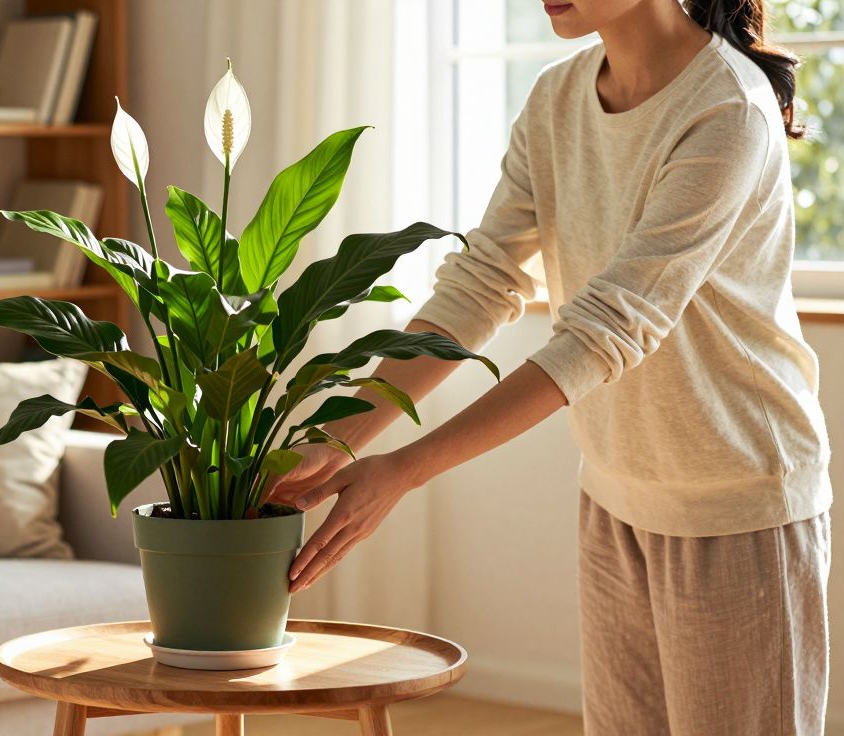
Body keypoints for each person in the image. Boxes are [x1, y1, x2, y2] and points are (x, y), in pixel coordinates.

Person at [267, 0, 832, 732]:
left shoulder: (728, 108)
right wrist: (336, 439)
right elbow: (481, 284)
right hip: (615, 496)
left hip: (739, 505)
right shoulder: (557, 98)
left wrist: (403, 470)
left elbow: (608, 328)